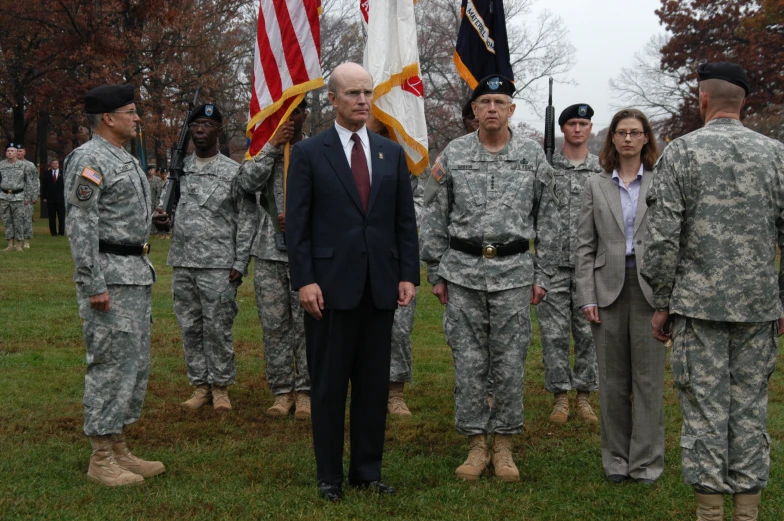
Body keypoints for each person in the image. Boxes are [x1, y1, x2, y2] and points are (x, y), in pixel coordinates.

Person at [642, 62, 784, 521]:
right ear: (743, 102)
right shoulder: (776, 156)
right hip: (759, 308)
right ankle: (747, 514)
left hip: (697, 310)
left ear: (702, 99)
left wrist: (661, 303)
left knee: (704, 412)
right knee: (749, 410)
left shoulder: (681, 154)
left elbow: (662, 239)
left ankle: (710, 514)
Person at [285, 62, 419, 502]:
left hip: (379, 286)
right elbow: (297, 227)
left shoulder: (390, 152)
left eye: (367, 93)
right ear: (333, 100)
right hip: (328, 289)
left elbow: (404, 221)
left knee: (373, 385)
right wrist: (304, 280)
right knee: (327, 385)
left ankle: (366, 470)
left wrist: (407, 274)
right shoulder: (308, 153)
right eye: (353, 94)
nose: (363, 101)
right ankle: (329, 477)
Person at [420, 75, 559, 483]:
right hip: (461, 274)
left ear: (512, 109)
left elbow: (548, 220)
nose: (493, 109)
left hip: (515, 275)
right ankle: (476, 441)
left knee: (510, 362)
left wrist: (543, 274)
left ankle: (504, 444)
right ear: (475, 112)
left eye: (500, 102)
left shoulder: (532, 156)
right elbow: (434, 213)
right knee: (468, 361)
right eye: (485, 103)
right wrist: (435, 270)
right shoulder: (454, 153)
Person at [64, 83, 164, 486]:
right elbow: (81, 223)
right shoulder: (89, 158)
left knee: (133, 363)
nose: (137, 117)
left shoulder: (122, 157)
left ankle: (119, 443)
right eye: (130, 111)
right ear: (108, 118)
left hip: (135, 272)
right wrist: (93, 283)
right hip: (109, 276)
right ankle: (100, 456)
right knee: (108, 363)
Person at [575, 107, 663, 485]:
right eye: (621, 132)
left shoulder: (662, 182)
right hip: (606, 288)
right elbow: (582, 245)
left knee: (648, 381)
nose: (628, 138)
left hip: (650, 290)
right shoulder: (596, 185)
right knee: (611, 382)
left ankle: (645, 463)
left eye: (635, 132)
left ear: (646, 139)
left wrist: (669, 298)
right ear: (611, 139)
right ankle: (615, 460)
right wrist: (586, 296)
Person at [152, 104, 255, 412]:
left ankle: (221, 388)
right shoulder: (178, 169)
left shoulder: (233, 171)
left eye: (207, 125)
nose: (200, 129)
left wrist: (240, 261)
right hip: (183, 261)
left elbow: (247, 218)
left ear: (218, 132)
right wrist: (161, 220)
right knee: (190, 327)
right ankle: (200, 387)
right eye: (196, 124)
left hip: (219, 263)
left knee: (218, 326)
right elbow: (165, 210)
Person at [236, 99, 311, 419]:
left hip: (308, 254)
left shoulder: (317, 151)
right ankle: (282, 391)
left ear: (305, 114)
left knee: (308, 326)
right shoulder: (261, 151)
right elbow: (245, 183)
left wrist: (302, 219)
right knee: (275, 326)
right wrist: (271, 146)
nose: (291, 119)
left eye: (297, 111)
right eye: (285, 113)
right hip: (268, 253)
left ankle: (307, 391)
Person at [536, 104, 602, 425]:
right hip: (551, 265)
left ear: (591, 128)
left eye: (583, 123)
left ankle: (585, 397)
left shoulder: (602, 170)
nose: (578, 129)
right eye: (572, 124)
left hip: (591, 266)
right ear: (561, 129)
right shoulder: (545, 167)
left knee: (589, 333)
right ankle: (560, 397)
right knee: (554, 334)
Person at [366, 112, 424, 417]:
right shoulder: (353, 157)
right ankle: (365, 390)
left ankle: (395, 393)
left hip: (395, 257)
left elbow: (420, 208)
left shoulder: (409, 159)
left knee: (399, 329)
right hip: (359, 257)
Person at [0, 144, 29, 251]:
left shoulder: (23, 165)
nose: (9, 152)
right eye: (8, 151)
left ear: (17, 153)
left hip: (18, 196)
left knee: (18, 221)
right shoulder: (1, 165)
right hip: (4, 196)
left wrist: (28, 197)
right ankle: (10, 244)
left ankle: (19, 245)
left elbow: (28, 181)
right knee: (6, 220)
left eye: (12, 151)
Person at [15, 144, 39, 249]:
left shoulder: (30, 165)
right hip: (14, 197)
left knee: (27, 219)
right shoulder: (11, 165)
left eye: (21, 151)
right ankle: (16, 241)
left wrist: (34, 195)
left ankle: (27, 241)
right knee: (15, 220)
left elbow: (35, 180)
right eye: (17, 151)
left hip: (27, 197)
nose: (18, 153)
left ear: (24, 152)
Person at [42, 159, 66, 236]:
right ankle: (53, 233)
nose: (55, 165)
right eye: (53, 163)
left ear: (58, 164)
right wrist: (44, 197)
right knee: (52, 217)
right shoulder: (47, 174)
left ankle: (61, 232)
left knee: (61, 217)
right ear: (51, 165)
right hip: (50, 199)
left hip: (61, 199)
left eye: (56, 163)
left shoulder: (63, 173)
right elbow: (44, 186)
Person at [146, 165, 163, 234]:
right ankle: (149, 230)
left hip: (155, 200)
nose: (151, 171)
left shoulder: (157, 180)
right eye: (149, 170)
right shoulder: (145, 179)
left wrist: (158, 202)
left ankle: (156, 229)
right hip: (148, 200)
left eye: (152, 170)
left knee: (155, 215)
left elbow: (159, 191)